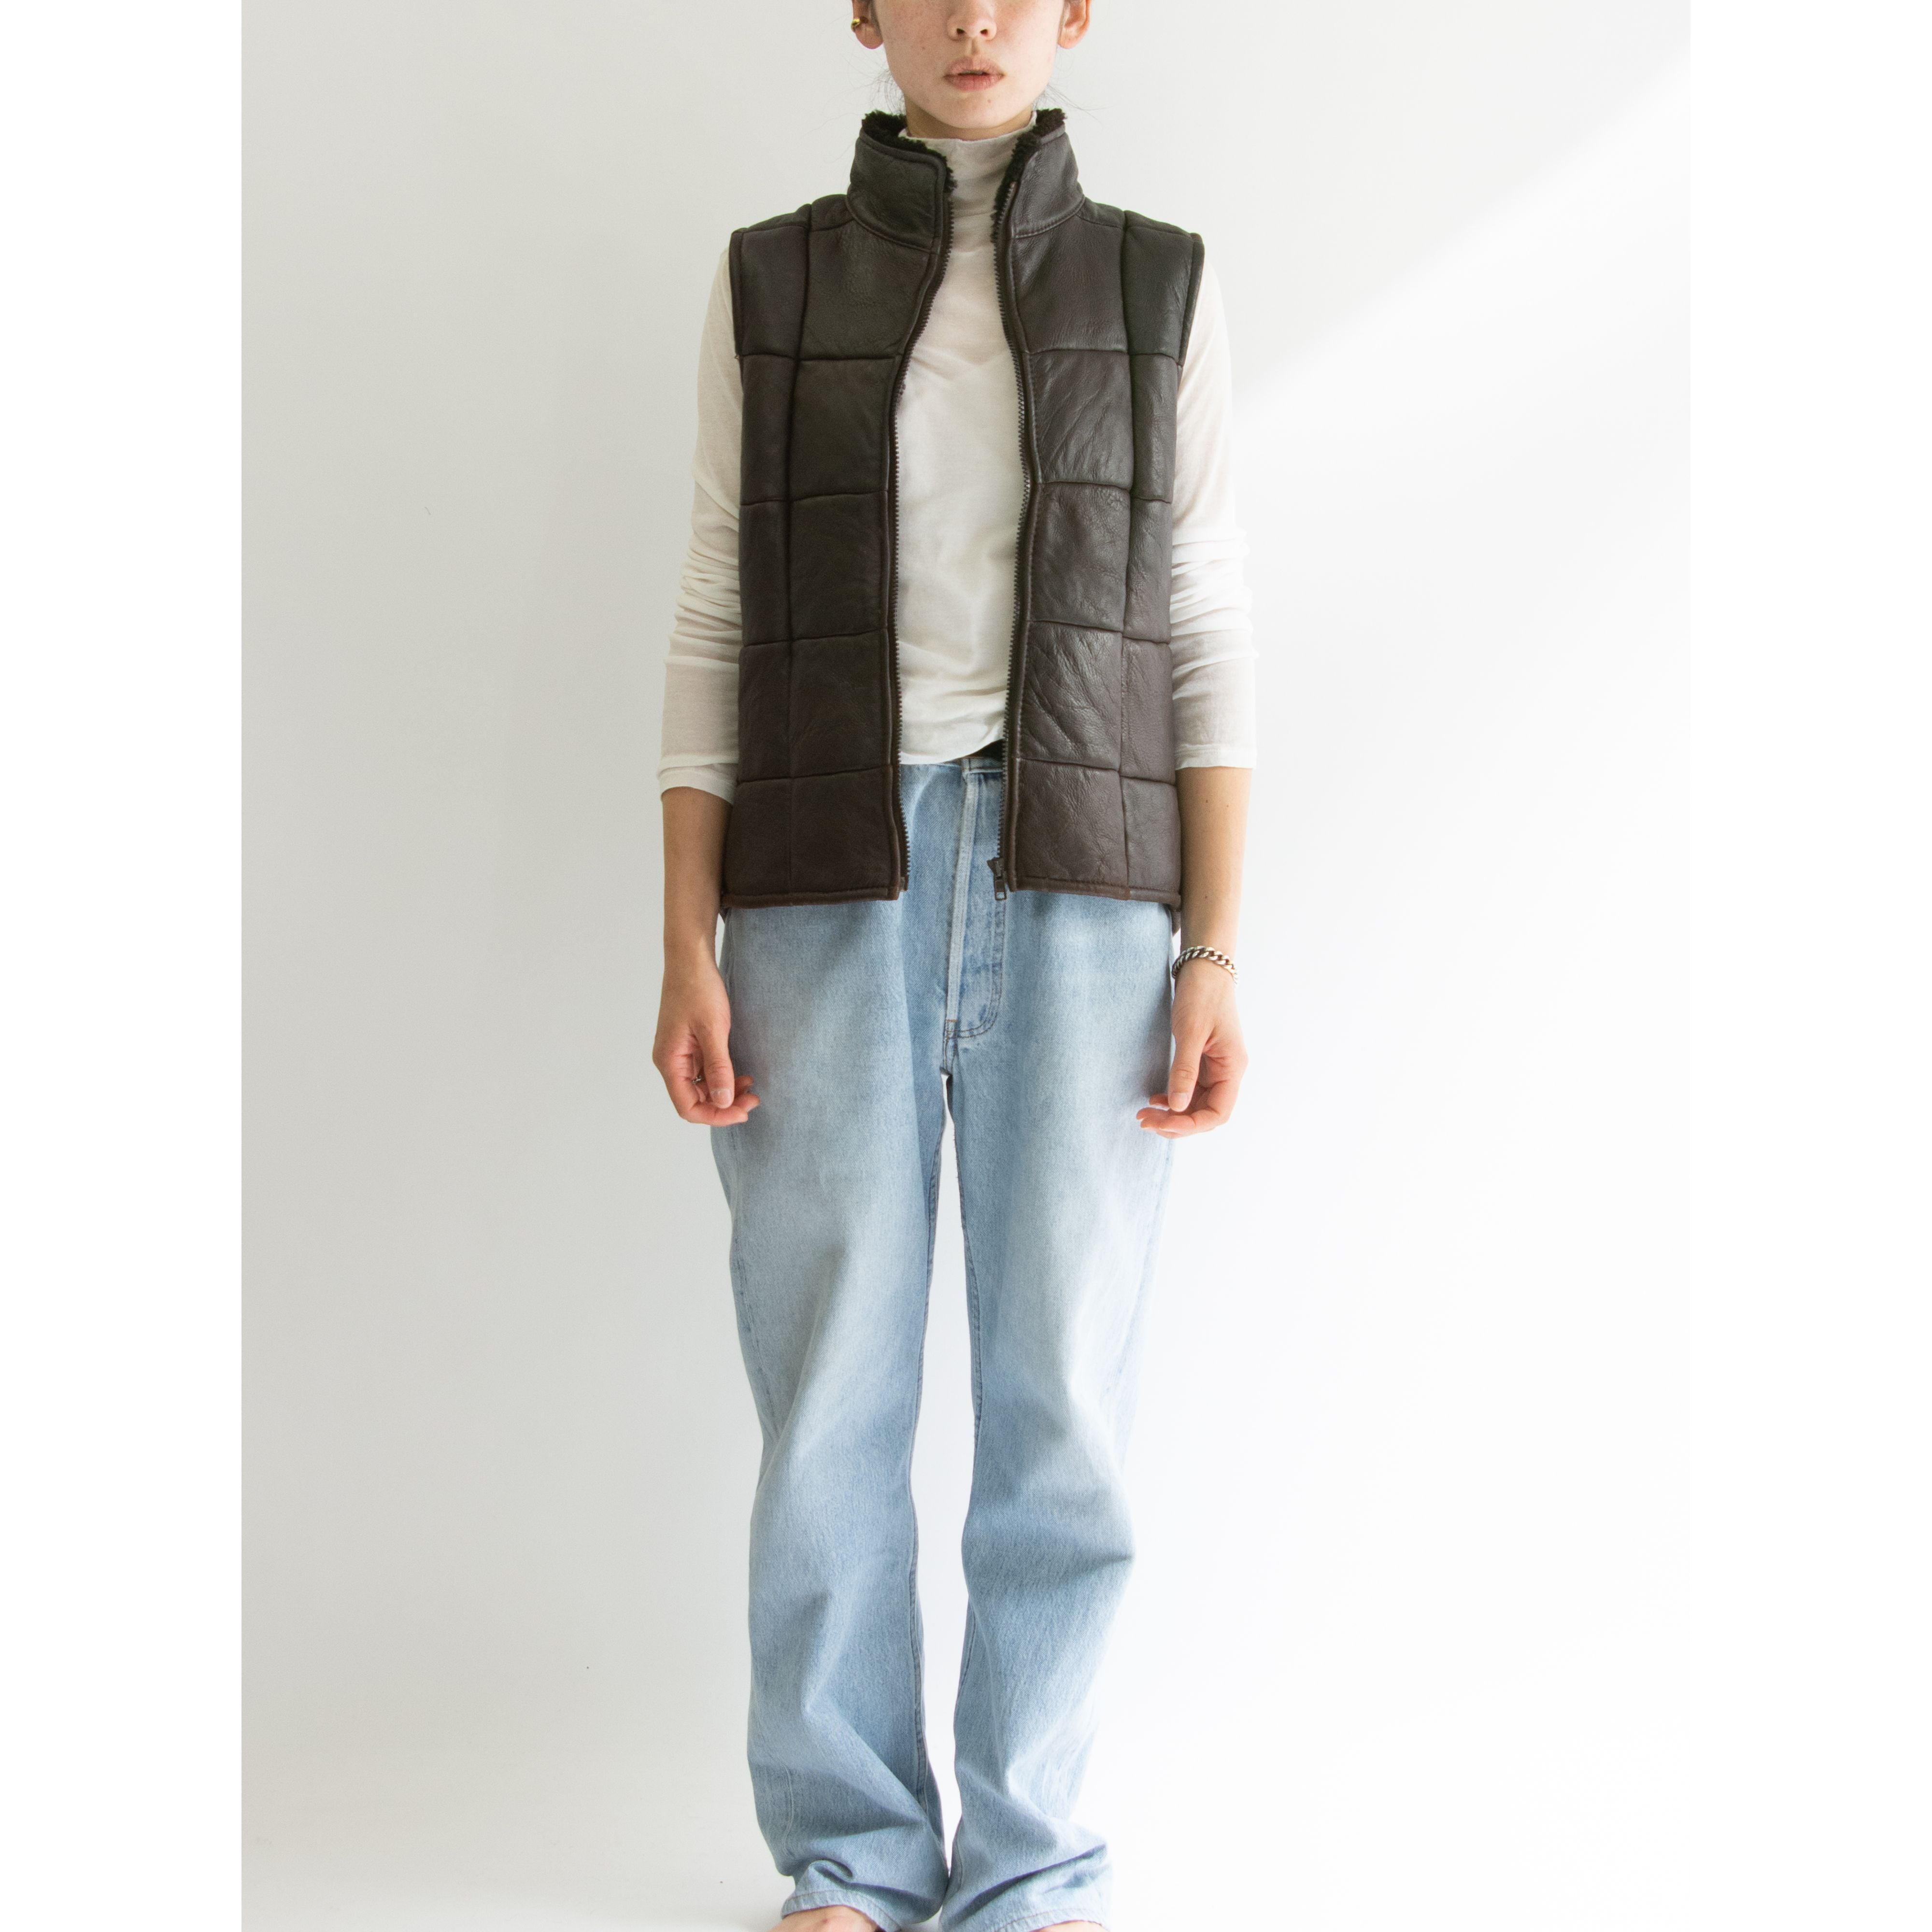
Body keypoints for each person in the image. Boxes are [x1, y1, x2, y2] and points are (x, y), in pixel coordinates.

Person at [653, 6, 1254, 1930]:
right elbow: (718, 602)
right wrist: (685, 932)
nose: (974, 19)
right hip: (822, 878)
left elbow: (1202, 613)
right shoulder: (772, 281)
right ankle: (850, 1854)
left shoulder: (1159, 283)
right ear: (866, 9)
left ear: (1074, 11)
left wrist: (1212, 945)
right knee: (828, 1387)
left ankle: (1029, 1860)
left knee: (1060, 1394)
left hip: (1088, 884)